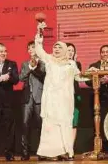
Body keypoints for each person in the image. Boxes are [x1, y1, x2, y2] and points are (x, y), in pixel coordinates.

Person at [34, 26, 89, 161]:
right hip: (51, 99)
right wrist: (39, 34)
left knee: (64, 125)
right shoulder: (48, 60)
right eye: (55, 47)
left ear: (64, 50)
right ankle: (49, 152)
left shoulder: (71, 64)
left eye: (59, 48)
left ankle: (66, 152)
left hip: (65, 100)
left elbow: (79, 77)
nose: (56, 49)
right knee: (50, 125)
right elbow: (39, 50)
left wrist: (94, 75)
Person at [19, 41, 46, 161]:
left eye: (33, 48)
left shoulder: (43, 63)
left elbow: (43, 76)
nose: (31, 50)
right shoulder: (25, 64)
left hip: (39, 97)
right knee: (25, 126)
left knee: (41, 126)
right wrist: (30, 67)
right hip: (27, 99)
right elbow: (21, 77)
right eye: (29, 49)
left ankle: (42, 152)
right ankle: (25, 153)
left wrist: (35, 67)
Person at [66, 43, 82, 153]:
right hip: (63, 96)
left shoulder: (77, 64)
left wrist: (75, 63)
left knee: (73, 122)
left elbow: (78, 76)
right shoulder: (59, 64)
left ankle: (70, 148)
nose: (71, 52)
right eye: (69, 50)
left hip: (75, 95)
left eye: (73, 50)